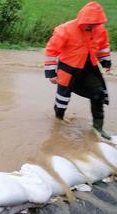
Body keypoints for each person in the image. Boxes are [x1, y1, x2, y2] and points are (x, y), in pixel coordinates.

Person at [44, 1, 112, 140]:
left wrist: (106, 62)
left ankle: (98, 127)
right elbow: (51, 50)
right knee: (63, 98)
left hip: (88, 68)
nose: (91, 26)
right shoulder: (65, 29)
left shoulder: (100, 30)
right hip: (68, 68)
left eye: (94, 24)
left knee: (98, 93)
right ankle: (58, 120)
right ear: (82, 19)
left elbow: (103, 46)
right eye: (89, 24)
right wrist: (51, 73)